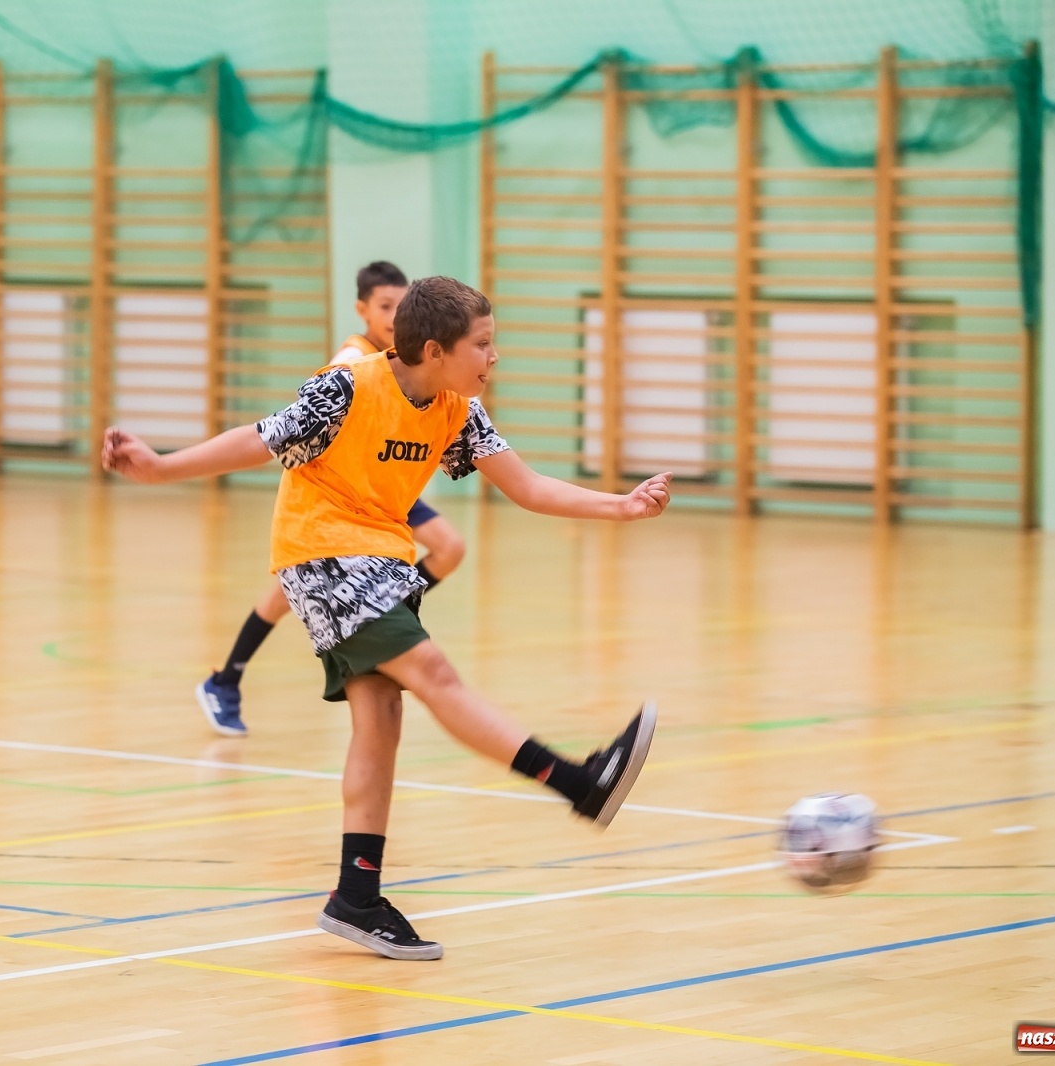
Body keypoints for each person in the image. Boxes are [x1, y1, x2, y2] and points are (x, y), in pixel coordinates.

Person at [104, 276, 671, 960]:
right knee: (433, 672)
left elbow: (526, 486)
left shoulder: (457, 409)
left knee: (381, 721)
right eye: (482, 345)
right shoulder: (347, 388)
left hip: (383, 558)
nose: (494, 357)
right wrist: (160, 468)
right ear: (435, 351)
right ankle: (578, 783)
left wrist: (621, 506)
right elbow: (257, 441)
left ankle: (357, 896)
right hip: (320, 553)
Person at [195, 261, 466, 736]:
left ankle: (379, 607)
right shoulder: (353, 360)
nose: (393, 315)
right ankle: (227, 678)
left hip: (386, 486)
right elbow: (302, 428)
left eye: (400, 306)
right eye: (384, 306)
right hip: (342, 491)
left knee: (449, 547)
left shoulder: (414, 365)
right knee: (285, 593)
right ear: (362, 310)